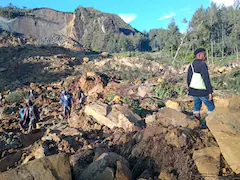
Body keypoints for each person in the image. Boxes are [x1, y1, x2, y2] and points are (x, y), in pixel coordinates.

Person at [187, 48, 215, 120]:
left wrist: (190, 90)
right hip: (203, 91)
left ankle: (197, 122)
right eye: (204, 54)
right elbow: (206, 79)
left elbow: (188, 79)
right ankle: (209, 123)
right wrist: (210, 92)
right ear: (199, 55)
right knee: (211, 107)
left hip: (194, 90)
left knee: (196, 106)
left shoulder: (191, 65)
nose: (205, 56)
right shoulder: (202, 64)